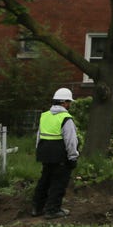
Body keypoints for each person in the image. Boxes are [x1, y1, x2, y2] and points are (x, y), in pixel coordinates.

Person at [32, 87, 79, 219]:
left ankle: (37, 208)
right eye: (69, 102)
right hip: (60, 156)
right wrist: (73, 157)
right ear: (64, 103)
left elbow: (39, 136)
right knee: (58, 183)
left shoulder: (44, 116)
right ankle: (52, 210)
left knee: (44, 181)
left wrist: (39, 152)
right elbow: (71, 140)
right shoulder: (66, 118)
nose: (69, 105)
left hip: (45, 154)